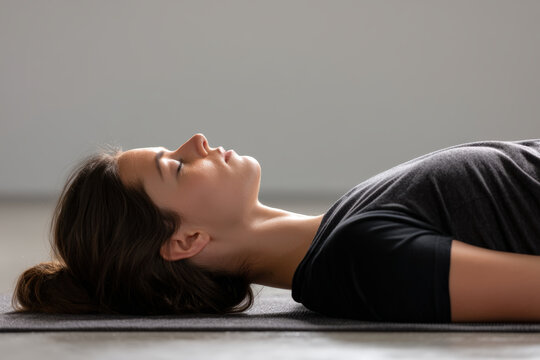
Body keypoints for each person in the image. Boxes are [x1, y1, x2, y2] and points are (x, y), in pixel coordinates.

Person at [12, 133, 540, 323]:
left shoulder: (341, 227)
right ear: (185, 240)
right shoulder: (362, 260)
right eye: (174, 165)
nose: (195, 141)